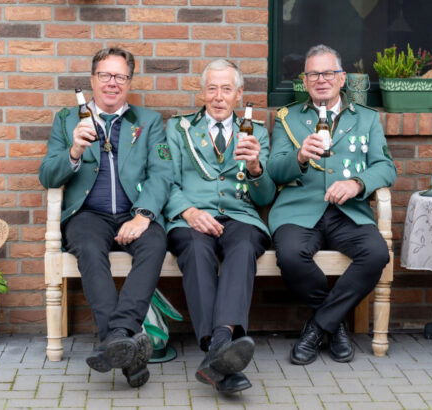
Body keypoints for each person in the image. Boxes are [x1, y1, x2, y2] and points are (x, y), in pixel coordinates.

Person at [38, 47, 172, 387]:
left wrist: (143, 215)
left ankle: (117, 337)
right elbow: (47, 176)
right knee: (88, 248)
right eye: (106, 75)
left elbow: (161, 174)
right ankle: (124, 344)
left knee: (155, 243)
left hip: (133, 213)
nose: (113, 83)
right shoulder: (67, 120)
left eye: (120, 76)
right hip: (87, 216)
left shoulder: (148, 121)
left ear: (129, 82)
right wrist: (74, 151)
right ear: (93, 79)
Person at [267, 44, 396, 365]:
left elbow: (386, 167)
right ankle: (335, 326)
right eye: (313, 74)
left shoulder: (366, 118)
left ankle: (316, 328)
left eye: (328, 73)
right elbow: (274, 170)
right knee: (291, 256)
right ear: (304, 81)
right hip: (299, 209)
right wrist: (299, 156)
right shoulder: (288, 118)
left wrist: (357, 183)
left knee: (377, 253)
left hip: (348, 212)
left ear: (342, 78)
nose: (321, 80)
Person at [164, 59, 276, 393]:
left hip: (241, 216)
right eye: (211, 88)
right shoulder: (180, 129)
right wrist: (188, 211)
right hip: (192, 217)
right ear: (201, 92)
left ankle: (218, 344)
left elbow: (265, 196)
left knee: (244, 246)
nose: (218, 96)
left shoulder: (255, 132)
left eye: (226, 89)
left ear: (239, 94)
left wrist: (255, 168)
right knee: (196, 249)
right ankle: (222, 351)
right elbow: (165, 180)